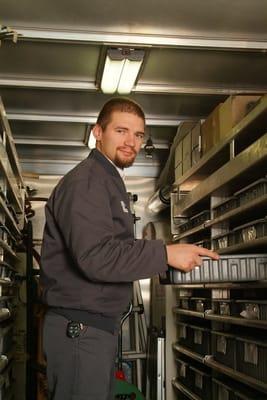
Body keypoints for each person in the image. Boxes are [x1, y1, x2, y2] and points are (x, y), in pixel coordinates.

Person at [40, 97, 219, 400]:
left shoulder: (108, 180)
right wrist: (165, 254)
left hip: (92, 328)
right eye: (121, 131)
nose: (131, 142)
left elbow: (112, 248)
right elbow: (95, 257)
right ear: (98, 132)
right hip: (80, 330)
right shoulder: (87, 181)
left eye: (138, 135)